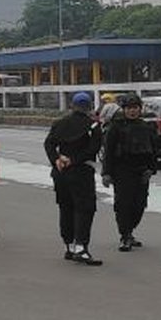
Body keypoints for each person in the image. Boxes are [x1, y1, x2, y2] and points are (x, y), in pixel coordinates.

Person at [44, 92, 105, 265]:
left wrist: (56, 159)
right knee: (85, 209)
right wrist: (74, 160)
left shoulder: (60, 123)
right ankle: (81, 247)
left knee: (65, 207)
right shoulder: (93, 125)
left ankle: (69, 246)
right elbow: (94, 149)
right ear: (89, 106)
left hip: (61, 173)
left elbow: (49, 143)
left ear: (72, 105)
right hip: (81, 172)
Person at [101, 94, 156, 252]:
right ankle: (125, 236)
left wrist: (151, 169)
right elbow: (108, 152)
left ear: (140, 109)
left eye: (135, 108)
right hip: (122, 171)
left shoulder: (146, 127)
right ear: (124, 109)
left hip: (141, 171)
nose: (132, 111)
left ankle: (130, 231)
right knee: (123, 205)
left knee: (139, 205)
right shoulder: (116, 127)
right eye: (129, 108)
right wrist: (106, 173)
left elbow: (153, 150)